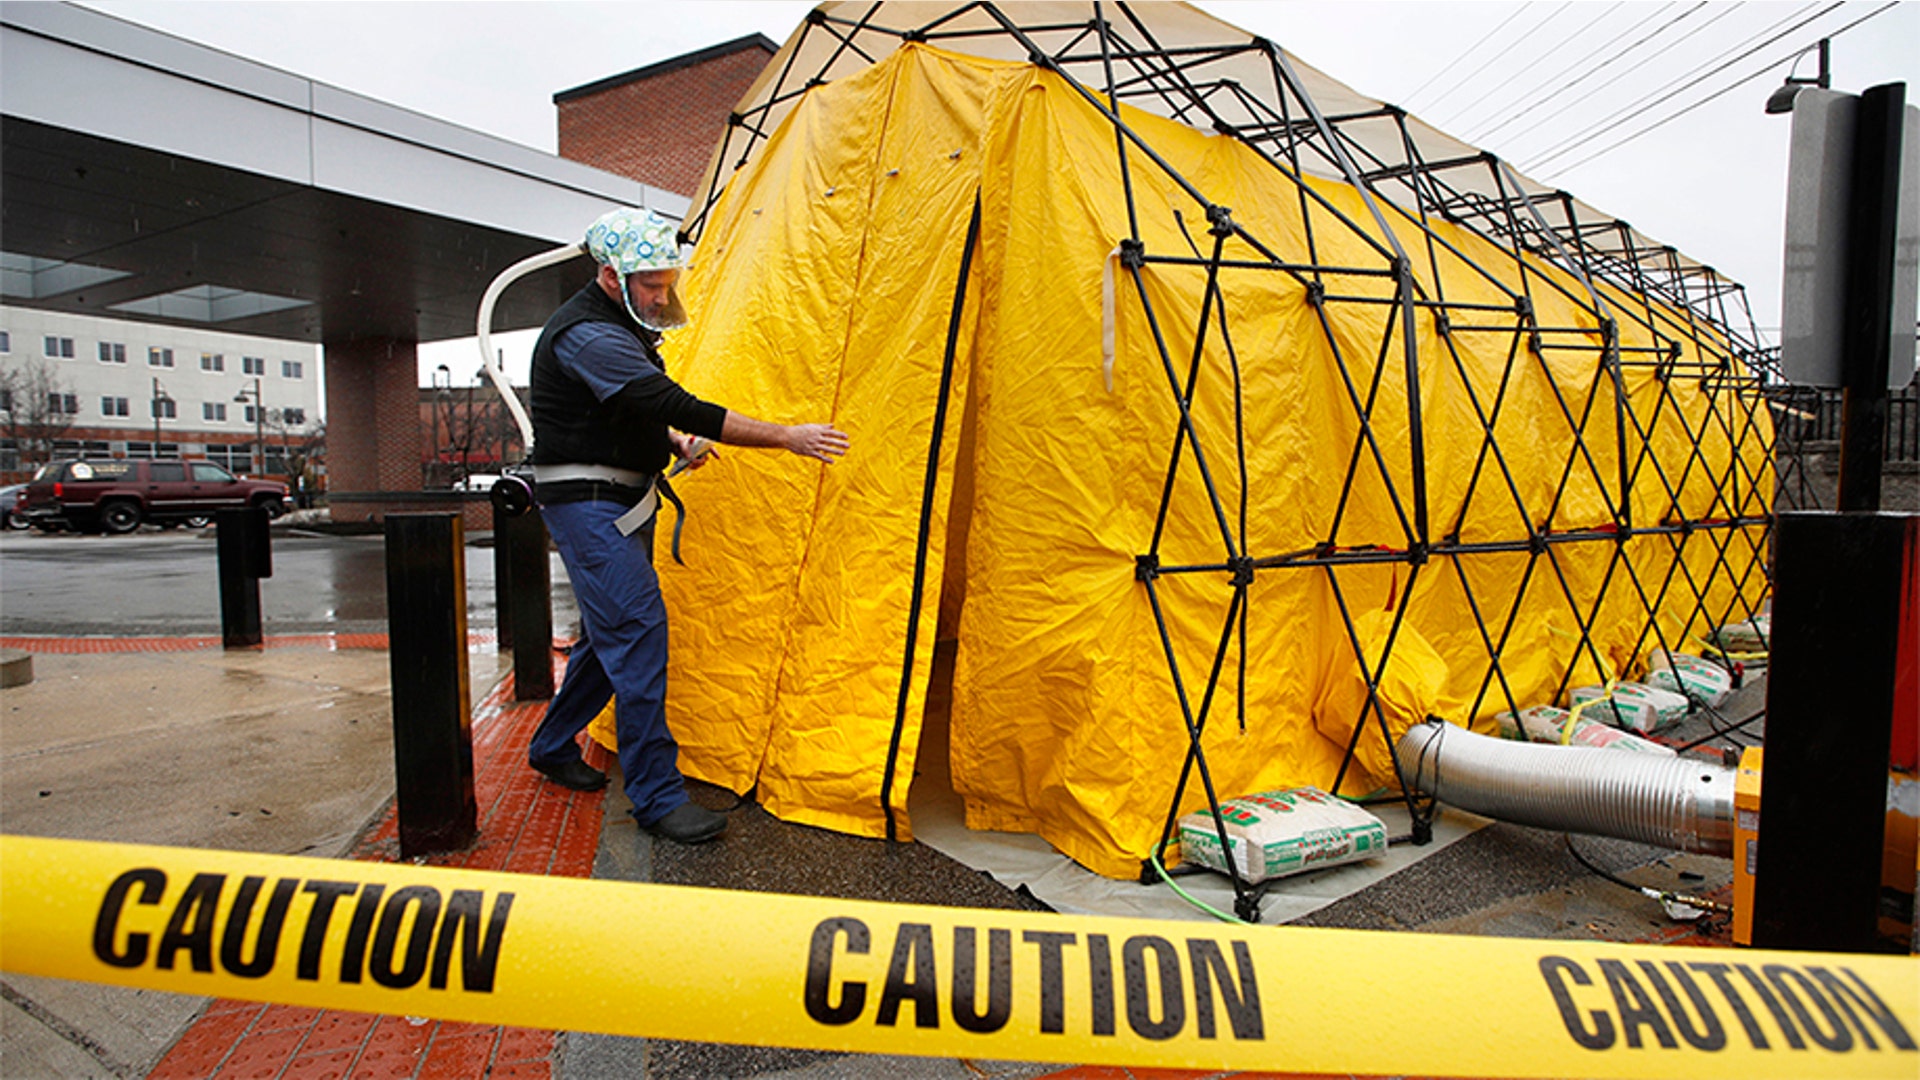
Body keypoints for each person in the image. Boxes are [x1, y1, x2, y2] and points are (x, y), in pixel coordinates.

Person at [526, 206, 849, 844]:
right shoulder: (592, 336)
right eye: (651, 284)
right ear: (613, 278)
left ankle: (552, 743)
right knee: (639, 632)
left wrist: (673, 444)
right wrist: (785, 436)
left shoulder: (617, 325)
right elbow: (666, 400)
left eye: (667, 281)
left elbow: (629, 412)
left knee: (605, 636)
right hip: (590, 504)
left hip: (614, 502)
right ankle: (656, 796)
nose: (663, 293)